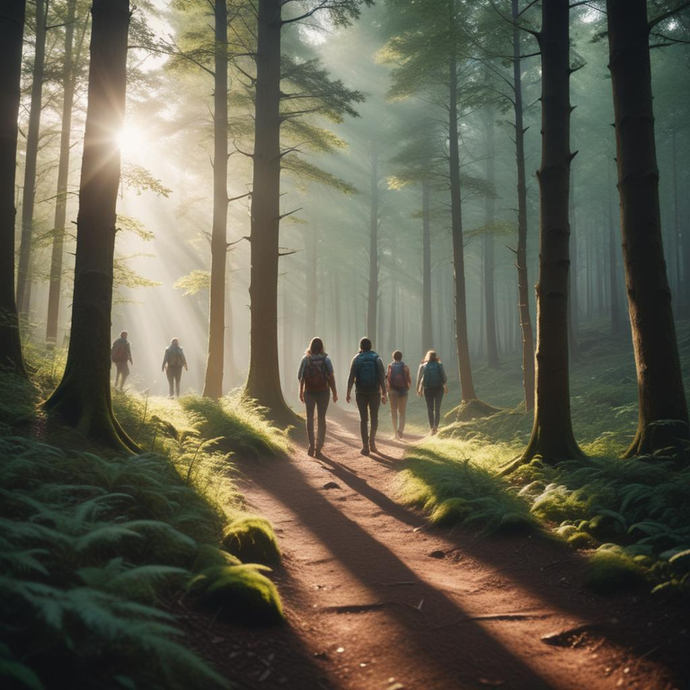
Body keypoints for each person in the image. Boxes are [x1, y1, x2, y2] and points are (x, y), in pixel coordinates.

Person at [297, 337, 338, 458]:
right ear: (321, 347)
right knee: (321, 418)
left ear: (310, 347)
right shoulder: (326, 359)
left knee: (309, 418)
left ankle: (311, 445)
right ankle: (319, 447)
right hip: (323, 392)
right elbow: (331, 376)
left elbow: (300, 377)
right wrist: (335, 392)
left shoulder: (305, 359)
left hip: (309, 392)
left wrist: (301, 392)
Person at [346, 338, 387, 456]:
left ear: (361, 347)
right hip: (375, 392)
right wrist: (384, 393)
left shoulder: (356, 359)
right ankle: (372, 442)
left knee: (364, 419)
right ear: (371, 346)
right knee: (374, 417)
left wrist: (348, 393)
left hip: (361, 393)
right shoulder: (377, 358)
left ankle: (365, 446)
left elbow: (351, 377)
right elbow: (381, 377)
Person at [417, 350, 448, 435]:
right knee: (437, 408)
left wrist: (419, 389)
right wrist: (445, 386)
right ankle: (436, 427)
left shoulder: (424, 366)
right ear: (435, 357)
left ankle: (431, 428)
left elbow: (421, 378)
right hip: (439, 389)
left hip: (428, 389)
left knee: (430, 409)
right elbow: (445, 378)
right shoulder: (439, 365)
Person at [386, 350, 411, 440]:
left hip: (393, 391)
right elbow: (408, 379)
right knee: (402, 412)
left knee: (393, 412)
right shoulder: (405, 366)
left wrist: (387, 391)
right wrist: (407, 387)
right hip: (403, 391)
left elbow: (388, 379)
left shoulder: (390, 366)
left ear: (393, 357)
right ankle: (400, 431)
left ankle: (395, 433)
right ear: (401, 357)